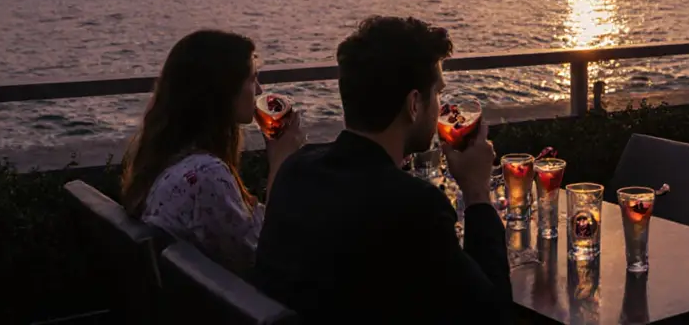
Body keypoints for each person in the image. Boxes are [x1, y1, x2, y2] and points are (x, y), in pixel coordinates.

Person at [254, 17, 509, 323]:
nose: (440, 105)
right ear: (414, 104)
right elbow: (494, 317)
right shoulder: (414, 206)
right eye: (437, 93)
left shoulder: (295, 172)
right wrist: (476, 190)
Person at [120, 30, 305, 275]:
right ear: (222, 91)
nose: (259, 91)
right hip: (242, 309)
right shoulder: (204, 176)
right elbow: (268, 256)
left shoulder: (169, 160)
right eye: (252, 79)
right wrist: (281, 163)